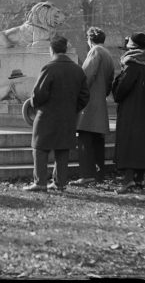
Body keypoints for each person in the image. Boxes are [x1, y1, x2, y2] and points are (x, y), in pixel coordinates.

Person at [23, 35, 90, 192]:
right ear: (65, 49)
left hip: (46, 115)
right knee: (62, 149)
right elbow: (85, 96)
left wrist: (33, 104)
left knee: (40, 148)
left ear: (51, 49)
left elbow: (39, 94)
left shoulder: (49, 67)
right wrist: (73, 108)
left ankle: (40, 182)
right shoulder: (77, 70)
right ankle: (60, 183)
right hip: (68, 116)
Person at [70, 27, 115, 186]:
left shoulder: (95, 52)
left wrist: (76, 94)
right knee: (97, 142)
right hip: (100, 103)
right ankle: (98, 174)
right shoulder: (108, 54)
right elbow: (110, 81)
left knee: (85, 140)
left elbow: (86, 76)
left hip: (88, 104)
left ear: (89, 40)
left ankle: (86, 175)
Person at [112, 33, 145, 193]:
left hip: (131, 109)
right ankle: (140, 179)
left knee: (128, 142)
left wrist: (116, 83)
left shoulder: (132, 64)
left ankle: (128, 180)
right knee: (142, 143)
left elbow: (122, 88)